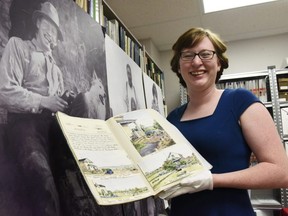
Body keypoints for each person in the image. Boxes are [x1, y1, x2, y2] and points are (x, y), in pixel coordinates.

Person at [159, 27, 288, 215]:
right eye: (187, 55)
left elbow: (280, 172)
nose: (196, 62)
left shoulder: (240, 101)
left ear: (218, 63)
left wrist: (212, 180)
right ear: (178, 66)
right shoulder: (172, 118)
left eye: (205, 54)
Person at [0, 2, 66, 215]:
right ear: (38, 22)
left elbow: (58, 106)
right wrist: (43, 101)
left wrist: (66, 103)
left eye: (55, 32)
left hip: (52, 128)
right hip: (24, 125)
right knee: (41, 177)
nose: (51, 34)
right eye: (48, 26)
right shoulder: (18, 46)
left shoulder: (57, 71)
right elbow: (4, 92)